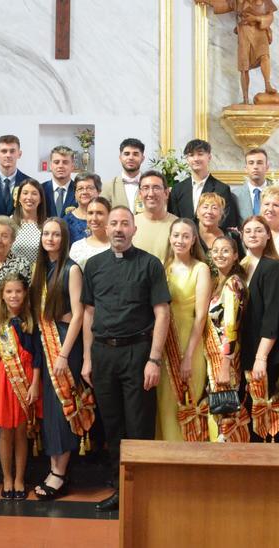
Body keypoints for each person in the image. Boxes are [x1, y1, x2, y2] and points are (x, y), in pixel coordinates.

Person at [81, 206, 171, 512]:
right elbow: (89, 313)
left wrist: (154, 359)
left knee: (139, 425)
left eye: (125, 224)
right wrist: (86, 358)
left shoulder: (150, 264)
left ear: (134, 229)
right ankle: (120, 489)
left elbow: (162, 313)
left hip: (138, 354)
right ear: (106, 229)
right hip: (103, 354)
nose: (118, 229)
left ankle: (143, 492)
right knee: (113, 425)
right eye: (113, 224)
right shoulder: (93, 266)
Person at [31, 218, 92, 499]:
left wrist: (65, 354)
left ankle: (60, 473)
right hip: (46, 342)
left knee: (64, 407)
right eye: (46, 234)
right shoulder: (40, 270)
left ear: (64, 239)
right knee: (51, 411)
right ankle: (53, 467)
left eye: (56, 234)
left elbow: (79, 314)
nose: (50, 238)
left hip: (66, 344)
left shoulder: (71, 269)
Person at [0, 273, 42, 500]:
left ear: (25, 293)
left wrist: (35, 384)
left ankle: (20, 479)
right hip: (1, 379)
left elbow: (37, 356)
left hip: (25, 379)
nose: (13, 295)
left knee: (21, 432)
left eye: (18, 291)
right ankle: (7, 477)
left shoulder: (31, 319)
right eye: (9, 291)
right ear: (2, 294)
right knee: (4, 433)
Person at [155, 218, 212, 442]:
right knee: (164, 404)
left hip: (190, 341)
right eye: (176, 235)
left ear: (193, 240)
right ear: (170, 238)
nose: (180, 240)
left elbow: (200, 317)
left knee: (186, 402)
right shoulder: (162, 266)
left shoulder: (201, 269)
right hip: (163, 340)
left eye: (185, 236)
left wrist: (188, 356)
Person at [238, 215, 279, 442]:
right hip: (246, 350)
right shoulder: (242, 266)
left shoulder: (273, 267)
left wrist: (261, 357)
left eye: (259, 230)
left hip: (265, 354)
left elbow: (272, 316)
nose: (253, 235)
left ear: (268, 235)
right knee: (249, 416)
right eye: (248, 231)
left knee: (266, 417)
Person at [206, 236, 249, 441]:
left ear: (235, 256)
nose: (219, 255)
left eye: (225, 251)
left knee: (227, 412)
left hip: (226, 358)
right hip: (215, 354)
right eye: (216, 250)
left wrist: (225, 364)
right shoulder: (219, 282)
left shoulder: (233, 283)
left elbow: (231, 327)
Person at [169, 139, 239, 230]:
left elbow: (226, 221)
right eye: (191, 155)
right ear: (187, 159)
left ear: (209, 157)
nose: (196, 159)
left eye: (200, 154)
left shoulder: (222, 189)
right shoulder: (177, 189)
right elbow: (174, 219)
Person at [0, 135, 33, 216]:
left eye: (12, 151)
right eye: (4, 151)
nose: (8, 155)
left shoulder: (30, 183)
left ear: (19, 154)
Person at [133, 171, 179, 260]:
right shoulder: (131, 224)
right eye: (146, 188)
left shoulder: (177, 225)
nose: (151, 194)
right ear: (140, 194)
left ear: (166, 193)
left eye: (156, 188)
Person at [100, 138, 145, 211]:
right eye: (126, 154)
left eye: (135, 154)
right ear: (120, 158)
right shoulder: (108, 187)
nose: (131, 158)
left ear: (142, 158)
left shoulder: (151, 186)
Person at [10, 179, 47, 265]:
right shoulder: (9, 223)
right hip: (13, 276)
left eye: (34, 193)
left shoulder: (47, 224)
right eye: (25, 193)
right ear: (19, 198)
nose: (29, 197)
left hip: (39, 275)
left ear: (40, 199)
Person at [69, 197, 112, 268]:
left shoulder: (118, 246)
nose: (94, 218)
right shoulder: (77, 247)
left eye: (99, 213)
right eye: (90, 213)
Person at [196, 192, 240, 257]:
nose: (209, 211)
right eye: (205, 207)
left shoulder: (232, 236)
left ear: (221, 214)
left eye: (214, 208)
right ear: (197, 213)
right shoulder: (190, 235)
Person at [231, 148, 271, 219]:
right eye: (251, 163)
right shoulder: (235, 195)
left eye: (259, 163)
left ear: (267, 167)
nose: (255, 167)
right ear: (246, 168)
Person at [62, 173, 101, 243]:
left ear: (99, 192)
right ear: (75, 194)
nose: (85, 192)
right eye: (80, 189)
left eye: (89, 188)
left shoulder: (108, 218)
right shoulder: (66, 221)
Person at [44, 146, 77, 217]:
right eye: (56, 162)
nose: (60, 166)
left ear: (72, 166)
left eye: (65, 162)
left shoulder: (79, 190)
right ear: (50, 166)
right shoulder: (40, 189)